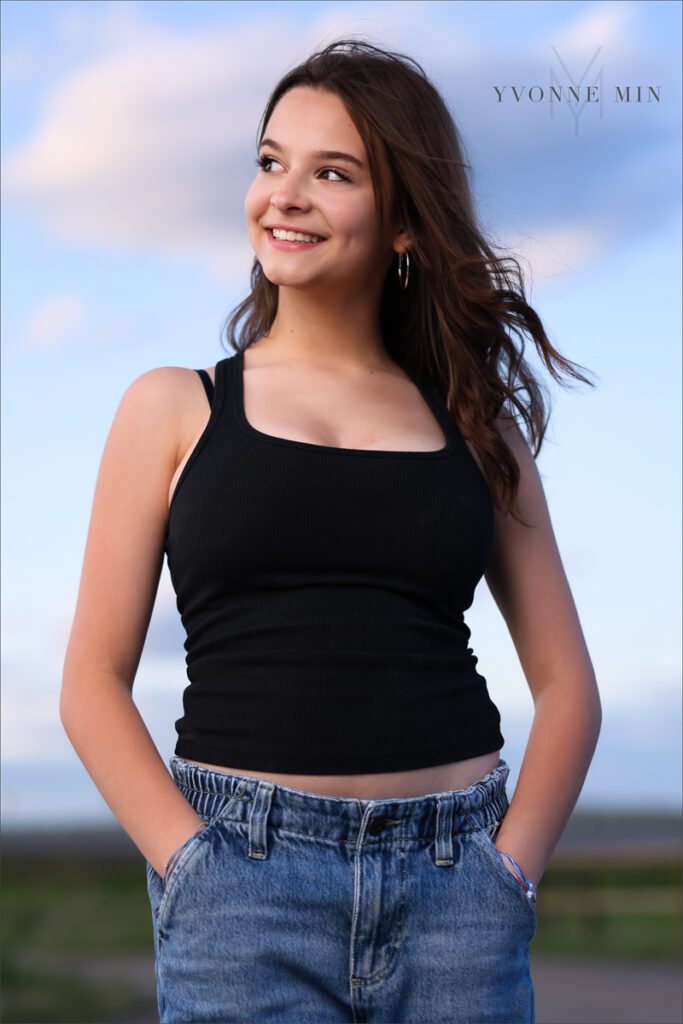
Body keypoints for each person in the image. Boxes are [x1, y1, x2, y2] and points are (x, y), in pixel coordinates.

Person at [60, 38, 602, 1024]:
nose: (285, 194)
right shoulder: (172, 409)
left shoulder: (477, 429)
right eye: (271, 162)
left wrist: (506, 876)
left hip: (456, 894)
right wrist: (192, 867)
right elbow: (90, 683)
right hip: (242, 892)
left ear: (402, 223)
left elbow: (568, 689)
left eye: (332, 172)